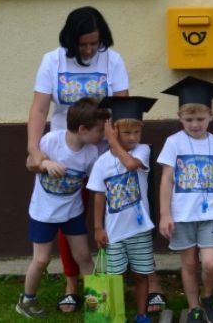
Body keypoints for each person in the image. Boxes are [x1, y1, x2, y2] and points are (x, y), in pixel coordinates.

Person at [25, 6, 130, 312]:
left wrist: (119, 150)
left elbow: (122, 108)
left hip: (102, 154)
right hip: (66, 152)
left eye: (94, 43)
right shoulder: (53, 60)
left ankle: (113, 279)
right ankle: (72, 284)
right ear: (71, 40)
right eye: (83, 44)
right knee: (66, 216)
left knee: (109, 218)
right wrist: (34, 150)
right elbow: (39, 109)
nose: (89, 50)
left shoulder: (113, 60)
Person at [16, 98, 107, 319]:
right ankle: (27, 300)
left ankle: (98, 304)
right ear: (83, 129)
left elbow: (96, 183)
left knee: (84, 256)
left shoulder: (91, 153)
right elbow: (29, 163)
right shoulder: (51, 141)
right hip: (43, 213)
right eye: (100, 130)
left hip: (72, 213)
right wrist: (45, 164)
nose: (103, 135)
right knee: (41, 260)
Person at [158, 77, 213, 323]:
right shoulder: (174, 143)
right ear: (180, 117)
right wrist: (165, 214)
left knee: (211, 263)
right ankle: (194, 306)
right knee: (190, 264)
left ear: (211, 115)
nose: (194, 124)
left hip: (209, 215)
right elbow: (167, 179)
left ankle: (208, 295)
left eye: (200, 119)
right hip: (181, 216)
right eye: (189, 119)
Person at [87, 96, 158, 323]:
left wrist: (112, 140)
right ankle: (117, 316)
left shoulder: (142, 151)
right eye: (126, 133)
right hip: (114, 232)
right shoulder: (102, 163)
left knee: (141, 274)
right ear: (114, 130)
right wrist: (98, 228)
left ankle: (141, 314)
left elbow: (130, 164)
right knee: (114, 277)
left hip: (139, 229)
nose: (133, 138)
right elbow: (99, 196)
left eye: (137, 132)